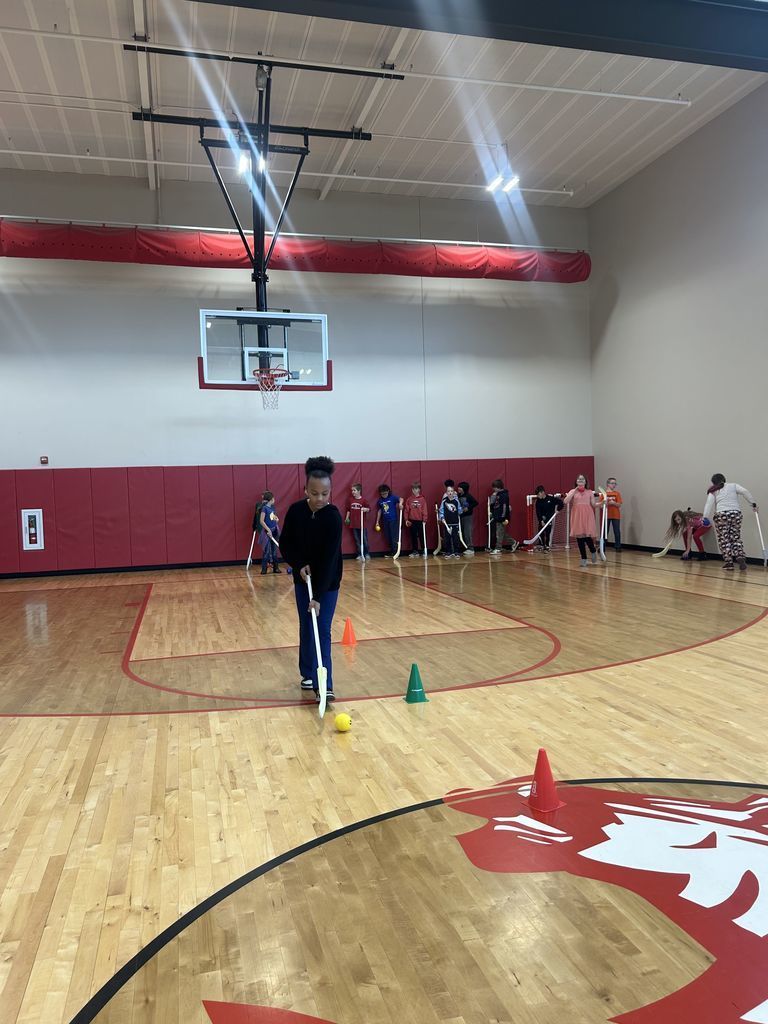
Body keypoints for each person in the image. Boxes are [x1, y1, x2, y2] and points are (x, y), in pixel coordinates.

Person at [279, 456, 343, 702]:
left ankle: (324, 684)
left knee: (322, 629)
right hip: (302, 580)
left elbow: (328, 561)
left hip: (327, 584)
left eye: (325, 494)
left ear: (330, 491)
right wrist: (298, 565)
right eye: (314, 493)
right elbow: (286, 543)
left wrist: (317, 597)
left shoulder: (333, 518)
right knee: (306, 626)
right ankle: (307, 673)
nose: (319, 499)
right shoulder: (296, 512)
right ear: (306, 489)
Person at [703, 473, 759, 571]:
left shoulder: (714, 490)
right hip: (735, 514)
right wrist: (753, 504)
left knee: (724, 539)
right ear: (724, 479)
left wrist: (705, 517)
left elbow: (709, 504)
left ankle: (729, 562)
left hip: (721, 515)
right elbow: (745, 491)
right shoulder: (733, 486)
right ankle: (740, 556)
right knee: (735, 537)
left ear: (713, 482)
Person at [563, 474, 599, 566]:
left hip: (587, 514)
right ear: (576, 481)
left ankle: (593, 551)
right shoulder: (572, 491)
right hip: (577, 515)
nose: (580, 480)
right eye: (579, 479)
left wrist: (602, 503)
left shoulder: (590, 492)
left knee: (587, 536)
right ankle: (583, 558)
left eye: (582, 479)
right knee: (579, 537)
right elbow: (565, 501)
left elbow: (594, 504)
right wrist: (574, 490)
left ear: (585, 481)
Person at [488, 479, 518, 554]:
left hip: (502, 517)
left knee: (499, 533)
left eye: (494, 488)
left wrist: (503, 517)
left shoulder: (504, 495)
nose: (493, 489)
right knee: (501, 533)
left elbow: (504, 507)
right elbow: (493, 505)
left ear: (498, 487)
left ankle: (498, 548)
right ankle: (513, 542)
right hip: (497, 516)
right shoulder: (497, 495)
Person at [345, 483, 371, 562]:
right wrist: (347, 518)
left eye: (354, 490)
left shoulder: (363, 500)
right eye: (352, 490)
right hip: (353, 524)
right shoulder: (350, 500)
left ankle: (366, 553)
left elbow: (369, 509)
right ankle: (360, 554)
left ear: (359, 491)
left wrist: (365, 509)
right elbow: (348, 510)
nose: (352, 492)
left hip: (362, 524)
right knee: (357, 540)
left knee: (365, 540)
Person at [534, 485, 564, 551]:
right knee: (540, 532)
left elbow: (561, 503)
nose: (538, 496)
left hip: (549, 519)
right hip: (542, 520)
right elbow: (538, 512)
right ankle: (542, 545)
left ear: (542, 492)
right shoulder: (538, 501)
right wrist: (541, 520)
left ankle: (547, 546)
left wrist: (558, 509)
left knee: (548, 533)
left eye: (538, 494)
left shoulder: (551, 499)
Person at [258, 491, 282, 575]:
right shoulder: (264, 508)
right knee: (267, 551)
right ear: (271, 499)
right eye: (274, 498)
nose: (274, 499)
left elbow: (272, 516)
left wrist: (276, 518)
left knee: (274, 551)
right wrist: (268, 530)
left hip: (274, 531)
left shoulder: (272, 508)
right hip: (267, 532)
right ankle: (264, 569)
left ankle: (276, 568)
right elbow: (261, 521)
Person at [376, 484, 402, 557]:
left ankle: (396, 552)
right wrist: (377, 521)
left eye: (385, 493)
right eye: (382, 493)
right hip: (385, 521)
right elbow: (379, 511)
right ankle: (392, 551)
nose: (384, 495)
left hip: (393, 520)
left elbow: (401, 499)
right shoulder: (380, 501)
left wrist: (400, 504)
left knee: (394, 536)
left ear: (388, 491)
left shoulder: (392, 497)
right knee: (388, 536)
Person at [404, 482, 428, 557]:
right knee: (413, 536)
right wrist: (406, 519)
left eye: (416, 489)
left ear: (419, 490)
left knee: (421, 536)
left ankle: (424, 550)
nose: (415, 490)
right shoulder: (409, 499)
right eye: (413, 489)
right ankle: (415, 551)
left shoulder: (422, 499)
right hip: (412, 520)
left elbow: (424, 510)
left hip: (420, 521)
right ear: (412, 490)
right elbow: (406, 510)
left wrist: (424, 519)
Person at [439, 485, 462, 558]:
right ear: (446, 492)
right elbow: (441, 511)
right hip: (447, 523)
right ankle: (448, 552)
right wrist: (441, 517)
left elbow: (459, 511)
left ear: (454, 492)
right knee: (447, 538)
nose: (450, 493)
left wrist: (461, 509)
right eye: (448, 491)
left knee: (455, 538)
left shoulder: (456, 501)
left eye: (451, 491)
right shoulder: (444, 501)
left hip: (455, 522)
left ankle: (456, 552)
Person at [457, 482, 479, 549]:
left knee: (467, 532)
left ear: (464, 488)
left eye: (460, 487)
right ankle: (464, 547)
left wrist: (468, 508)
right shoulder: (458, 496)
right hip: (460, 516)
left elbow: (475, 503)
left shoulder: (468, 496)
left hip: (468, 517)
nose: (458, 488)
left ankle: (470, 548)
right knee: (462, 533)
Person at [604, 476, 623, 551]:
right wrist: (606, 503)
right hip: (606, 515)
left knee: (617, 531)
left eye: (615, 483)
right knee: (605, 532)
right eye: (612, 483)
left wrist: (613, 503)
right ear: (608, 484)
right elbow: (601, 505)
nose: (614, 485)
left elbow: (619, 504)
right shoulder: (604, 493)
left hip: (615, 515)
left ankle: (618, 547)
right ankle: (602, 547)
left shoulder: (617, 494)